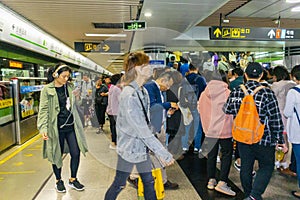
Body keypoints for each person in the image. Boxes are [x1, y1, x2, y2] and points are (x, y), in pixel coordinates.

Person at [104, 52, 175, 200]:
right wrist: (163, 153)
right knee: (119, 184)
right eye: (146, 65)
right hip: (129, 149)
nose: (150, 68)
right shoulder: (130, 95)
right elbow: (141, 128)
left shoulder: (141, 91)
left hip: (140, 148)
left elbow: (145, 119)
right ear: (137, 69)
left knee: (149, 182)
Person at [223, 62, 288, 200]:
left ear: (245, 75)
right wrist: (280, 140)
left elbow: (227, 109)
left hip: (242, 136)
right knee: (266, 166)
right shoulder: (267, 92)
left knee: (246, 167)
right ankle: (254, 195)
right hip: (264, 138)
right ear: (261, 75)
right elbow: (275, 118)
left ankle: (248, 194)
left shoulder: (236, 91)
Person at [37, 63, 88, 193]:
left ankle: (73, 179)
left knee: (76, 152)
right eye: (64, 76)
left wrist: (77, 97)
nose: (66, 79)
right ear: (55, 75)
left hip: (71, 126)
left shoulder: (69, 87)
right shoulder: (47, 90)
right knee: (56, 154)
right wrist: (43, 128)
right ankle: (58, 180)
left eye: (68, 77)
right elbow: (43, 110)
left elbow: (77, 105)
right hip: (56, 128)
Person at [199, 70, 235, 196]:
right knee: (226, 155)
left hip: (209, 131)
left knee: (212, 155)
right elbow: (232, 111)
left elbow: (200, 110)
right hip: (225, 130)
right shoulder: (228, 93)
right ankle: (222, 182)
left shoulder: (204, 93)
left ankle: (211, 180)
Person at [271, 66, 296, 170]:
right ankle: (285, 161)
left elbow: (272, 99)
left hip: (279, 114)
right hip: (290, 116)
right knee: (286, 139)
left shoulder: (276, 85)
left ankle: (279, 161)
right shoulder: (292, 84)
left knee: (279, 139)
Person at [181, 64, 206, 153]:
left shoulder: (184, 79)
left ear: (189, 69)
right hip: (197, 105)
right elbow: (204, 93)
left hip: (186, 106)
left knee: (186, 125)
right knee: (197, 126)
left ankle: (184, 146)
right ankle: (197, 146)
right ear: (197, 68)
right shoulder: (200, 79)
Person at [284, 65, 300, 199]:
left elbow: (287, 112)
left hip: (297, 132)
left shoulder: (293, 92)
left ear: (294, 77)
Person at [106, 73, 122, 149]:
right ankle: (115, 143)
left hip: (110, 111)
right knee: (116, 128)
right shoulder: (117, 89)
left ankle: (113, 142)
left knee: (113, 127)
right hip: (116, 112)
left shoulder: (111, 88)